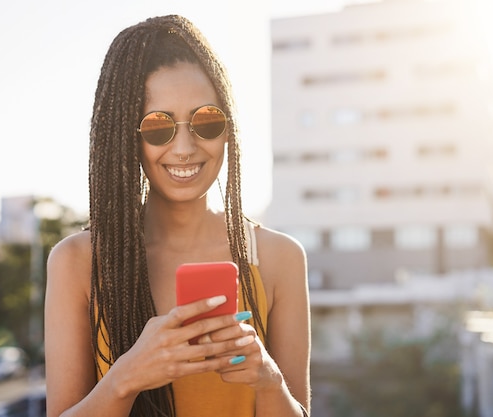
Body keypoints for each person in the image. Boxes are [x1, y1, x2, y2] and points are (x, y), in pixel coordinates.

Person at [44, 14, 311, 417]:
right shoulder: (78, 261)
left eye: (206, 121)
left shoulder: (278, 258)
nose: (184, 148)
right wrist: (127, 377)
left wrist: (268, 379)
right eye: (158, 126)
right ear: (126, 135)